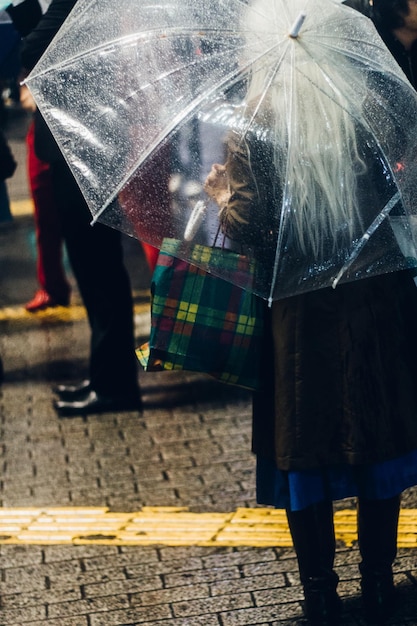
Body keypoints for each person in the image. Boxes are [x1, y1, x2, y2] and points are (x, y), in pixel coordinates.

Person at [204, 2, 417, 625]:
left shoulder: (256, 124)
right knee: (375, 443)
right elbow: (394, 199)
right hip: (373, 302)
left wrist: (222, 195)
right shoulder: (365, 113)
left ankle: (320, 593)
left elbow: (248, 228)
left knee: (307, 447)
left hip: (297, 317)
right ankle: (379, 581)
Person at [20, 0, 142, 415]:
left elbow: (35, 48)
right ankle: (106, 376)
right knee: (95, 272)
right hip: (84, 148)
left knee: (98, 270)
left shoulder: (79, 2)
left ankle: (115, 387)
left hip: (83, 151)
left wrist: (21, 13)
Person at [5, 0, 72, 312]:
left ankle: (166, 296)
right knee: (42, 201)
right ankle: (51, 285)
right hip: (44, 117)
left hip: (81, 118)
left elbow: (33, 48)